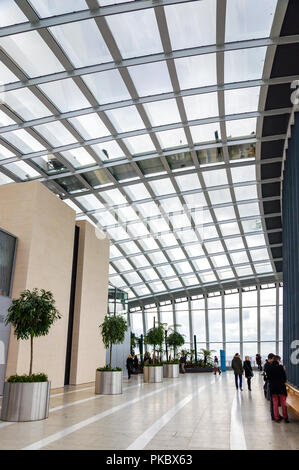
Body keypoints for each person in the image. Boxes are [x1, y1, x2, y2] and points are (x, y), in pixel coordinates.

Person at [267, 355, 289, 423]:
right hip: (281, 388)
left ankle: (276, 418)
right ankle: (285, 417)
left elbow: (268, 378)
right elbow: (284, 378)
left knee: (275, 404)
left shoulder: (269, 367)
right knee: (283, 403)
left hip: (273, 388)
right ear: (278, 360)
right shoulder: (280, 367)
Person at [263, 353, 278, 420]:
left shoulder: (268, 365)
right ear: (270, 358)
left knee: (273, 401)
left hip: (270, 383)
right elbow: (267, 375)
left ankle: (274, 415)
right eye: (273, 359)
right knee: (272, 401)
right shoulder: (268, 365)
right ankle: (273, 416)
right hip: (270, 383)